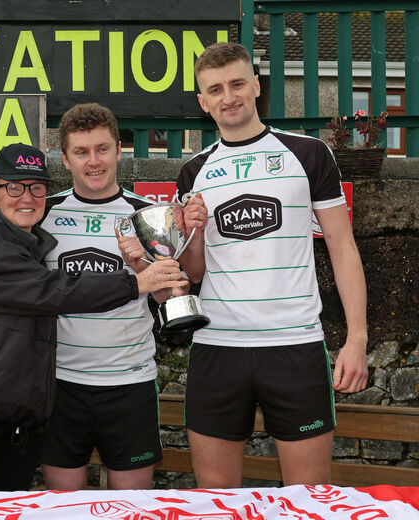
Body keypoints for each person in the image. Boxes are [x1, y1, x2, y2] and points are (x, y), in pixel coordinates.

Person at [125, 41, 368, 488]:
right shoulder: (193, 171)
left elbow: (342, 247)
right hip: (217, 348)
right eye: (215, 89)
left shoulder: (308, 154)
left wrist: (357, 339)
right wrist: (192, 232)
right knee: (216, 501)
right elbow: (193, 273)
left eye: (237, 83)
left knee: (309, 500)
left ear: (256, 86)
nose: (228, 96)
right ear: (203, 102)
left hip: (295, 345)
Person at [0, 143, 186, 492]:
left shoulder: (33, 243)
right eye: (14, 187)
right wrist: (136, 282)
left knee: (6, 513)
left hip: (14, 415)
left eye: (36, 188)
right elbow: (57, 290)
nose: (26, 197)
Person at [38, 103, 177, 490]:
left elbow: (171, 297)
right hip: (61, 383)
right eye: (81, 152)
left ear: (119, 149)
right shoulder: (43, 217)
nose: (93, 161)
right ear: (65, 159)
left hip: (130, 384)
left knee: (130, 511)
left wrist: (143, 272)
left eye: (102, 149)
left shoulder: (148, 215)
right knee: (64, 512)